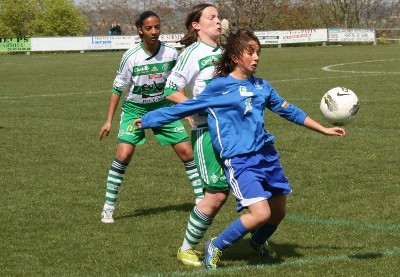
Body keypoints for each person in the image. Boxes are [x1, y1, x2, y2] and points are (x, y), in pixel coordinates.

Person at [134, 29, 346, 269]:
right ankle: (216, 245)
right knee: (260, 214)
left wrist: (323, 129)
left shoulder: (262, 87)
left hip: (267, 156)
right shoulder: (218, 88)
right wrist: (150, 119)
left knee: (278, 212)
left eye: (258, 53)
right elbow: (182, 108)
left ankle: (256, 243)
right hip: (240, 161)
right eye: (250, 52)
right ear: (235, 56)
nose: (256, 57)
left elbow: (289, 110)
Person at [98, 11, 203, 224]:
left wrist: (185, 108)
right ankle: (108, 208)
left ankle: (202, 200)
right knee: (124, 154)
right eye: (149, 28)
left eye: (157, 27)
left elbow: (178, 82)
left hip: (164, 108)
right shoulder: (130, 56)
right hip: (135, 110)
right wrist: (109, 120)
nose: (154, 32)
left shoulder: (171, 53)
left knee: (186, 152)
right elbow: (118, 89)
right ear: (140, 30)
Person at [158, 4, 230, 267]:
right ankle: (186, 248)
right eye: (211, 18)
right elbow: (170, 88)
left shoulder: (225, 52)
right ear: (196, 26)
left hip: (234, 132)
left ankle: (256, 235)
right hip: (207, 132)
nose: (218, 21)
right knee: (217, 195)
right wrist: (193, 107)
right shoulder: (191, 53)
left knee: (249, 184)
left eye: (218, 17)